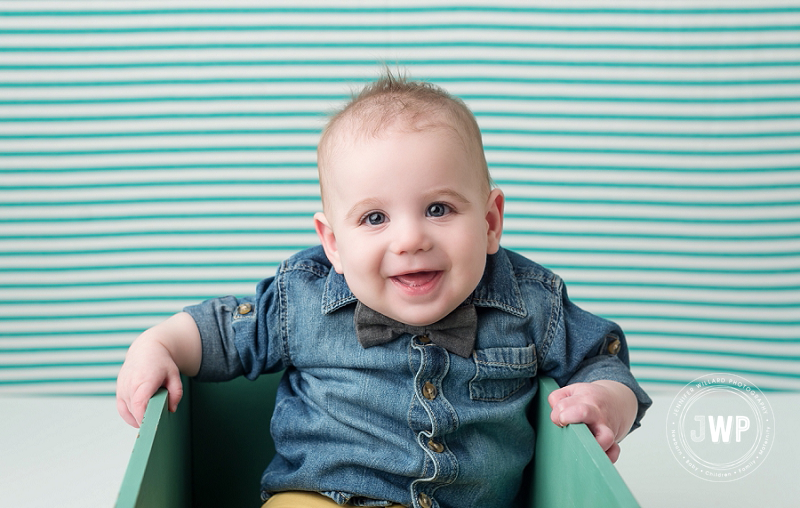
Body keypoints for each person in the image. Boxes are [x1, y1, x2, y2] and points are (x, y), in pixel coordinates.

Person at [117, 70, 651, 508]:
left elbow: (600, 359)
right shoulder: (302, 298)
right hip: (321, 495)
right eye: (374, 217)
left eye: (438, 209)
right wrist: (158, 344)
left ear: (491, 222)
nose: (410, 238)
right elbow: (220, 333)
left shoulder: (529, 301)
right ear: (333, 243)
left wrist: (608, 402)